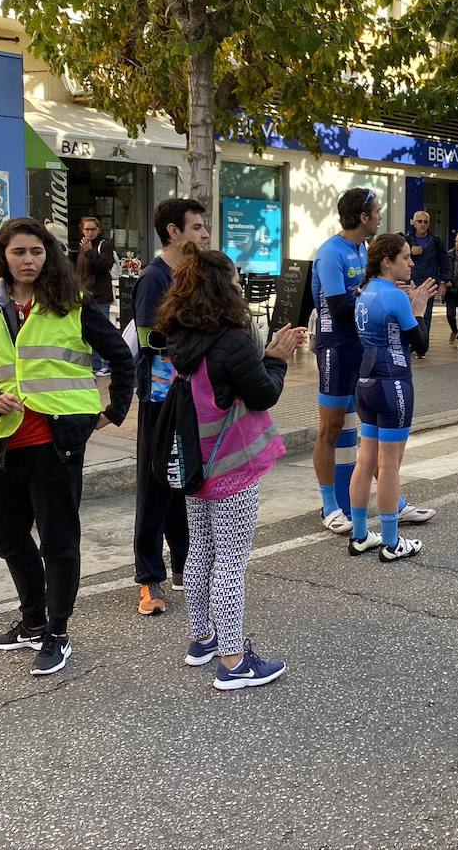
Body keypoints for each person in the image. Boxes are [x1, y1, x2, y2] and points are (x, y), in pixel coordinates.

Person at [0, 217, 134, 677]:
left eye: (37, 251)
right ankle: (32, 619)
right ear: (3, 256)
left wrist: (114, 411)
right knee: (6, 535)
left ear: (48, 254)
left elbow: (120, 355)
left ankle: (57, 631)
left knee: (58, 539)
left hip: (56, 442)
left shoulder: (71, 303)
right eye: (19, 252)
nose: (28, 260)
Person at [157, 244, 306, 690]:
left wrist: (266, 355)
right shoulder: (232, 339)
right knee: (231, 561)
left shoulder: (179, 335)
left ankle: (202, 638)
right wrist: (276, 358)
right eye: (237, 285)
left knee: (200, 550)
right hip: (231, 465)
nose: (241, 291)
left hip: (194, 462)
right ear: (223, 290)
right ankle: (234, 660)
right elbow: (263, 394)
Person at [312, 190, 434, 537]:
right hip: (336, 347)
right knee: (331, 427)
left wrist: (390, 293)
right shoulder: (330, 252)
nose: (381, 215)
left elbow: (366, 293)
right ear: (363, 217)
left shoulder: (363, 249)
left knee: (374, 432)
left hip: (364, 347)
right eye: (377, 211)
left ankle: (392, 500)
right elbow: (339, 308)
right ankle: (329, 505)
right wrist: (382, 297)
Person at [131, 199, 209, 616]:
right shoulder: (153, 278)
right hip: (159, 398)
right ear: (173, 232)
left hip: (191, 396)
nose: (205, 234)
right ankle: (149, 576)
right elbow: (150, 341)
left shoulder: (193, 275)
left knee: (185, 481)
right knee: (155, 487)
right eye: (196, 227)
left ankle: (184, 565)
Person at [349, 234, 437, 561]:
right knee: (389, 466)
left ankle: (360, 535)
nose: (411, 263)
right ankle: (391, 541)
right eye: (405, 257)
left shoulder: (364, 292)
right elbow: (421, 345)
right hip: (394, 384)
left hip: (365, 383)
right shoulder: (396, 297)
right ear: (387, 262)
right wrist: (419, 309)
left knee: (365, 461)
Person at [75, 216, 116, 376]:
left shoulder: (103, 245)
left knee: (102, 331)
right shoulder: (83, 245)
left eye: (93, 229)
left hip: (100, 295)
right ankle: (94, 364)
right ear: (82, 230)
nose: (90, 232)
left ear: (98, 230)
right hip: (85, 294)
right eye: (87, 229)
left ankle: (107, 364)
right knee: (88, 331)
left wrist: (90, 252)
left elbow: (104, 266)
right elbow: (80, 270)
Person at [404, 211, 446, 355]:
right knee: (409, 313)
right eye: (419, 221)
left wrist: (444, 282)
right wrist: (410, 251)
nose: (422, 224)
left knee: (425, 315)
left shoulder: (436, 241)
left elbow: (444, 261)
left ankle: (422, 346)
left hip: (429, 283)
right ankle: (412, 342)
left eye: (425, 221)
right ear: (414, 223)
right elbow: (398, 259)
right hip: (411, 283)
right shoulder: (407, 240)